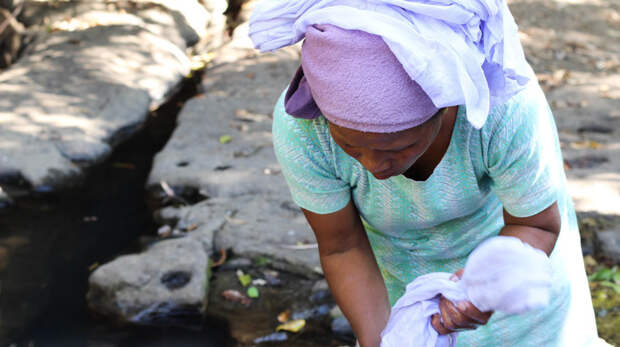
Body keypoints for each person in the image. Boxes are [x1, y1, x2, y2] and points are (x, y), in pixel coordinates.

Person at [249, 1, 605, 346]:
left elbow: (536, 225)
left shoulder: (503, 107)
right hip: (397, 297)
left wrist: (482, 290)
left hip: (516, 290)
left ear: (446, 105)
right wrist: (382, 340)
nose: (375, 166)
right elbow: (343, 247)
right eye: (352, 148)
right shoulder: (304, 128)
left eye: (398, 149)